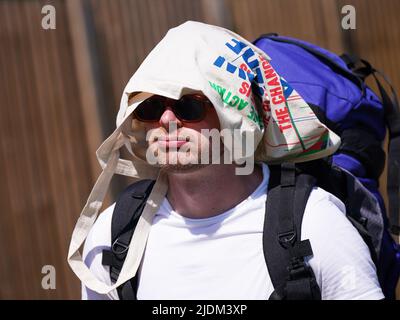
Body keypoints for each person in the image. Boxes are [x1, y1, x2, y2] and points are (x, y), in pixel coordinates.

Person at [68, 21, 384, 300]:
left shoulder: (314, 223)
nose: (166, 120)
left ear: (235, 116)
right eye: (149, 108)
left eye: (188, 106)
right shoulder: (114, 232)